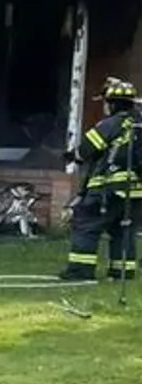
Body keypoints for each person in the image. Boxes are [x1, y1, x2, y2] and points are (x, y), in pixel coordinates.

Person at [61, 78, 142, 281]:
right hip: (136, 192)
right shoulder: (139, 124)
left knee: (86, 225)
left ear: (112, 103)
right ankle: (122, 273)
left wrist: (71, 155)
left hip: (108, 188)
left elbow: (87, 149)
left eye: (106, 102)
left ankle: (80, 272)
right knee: (123, 230)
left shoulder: (111, 124)